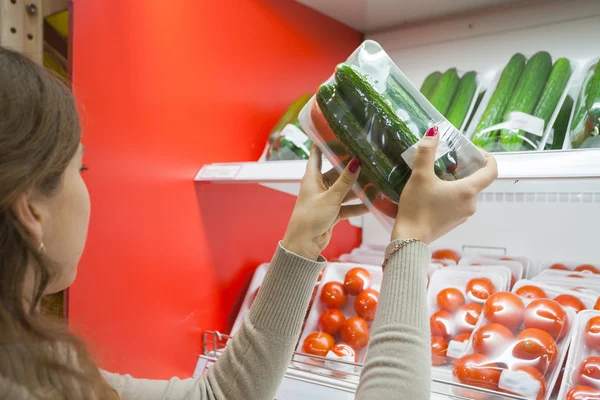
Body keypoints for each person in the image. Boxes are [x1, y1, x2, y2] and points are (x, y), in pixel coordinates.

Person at [0, 45, 497, 400]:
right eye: (79, 169)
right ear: (32, 210)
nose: (87, 191)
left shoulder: (36, 369)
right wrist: (411, 241)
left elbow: (217, 395)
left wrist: (302, 244)